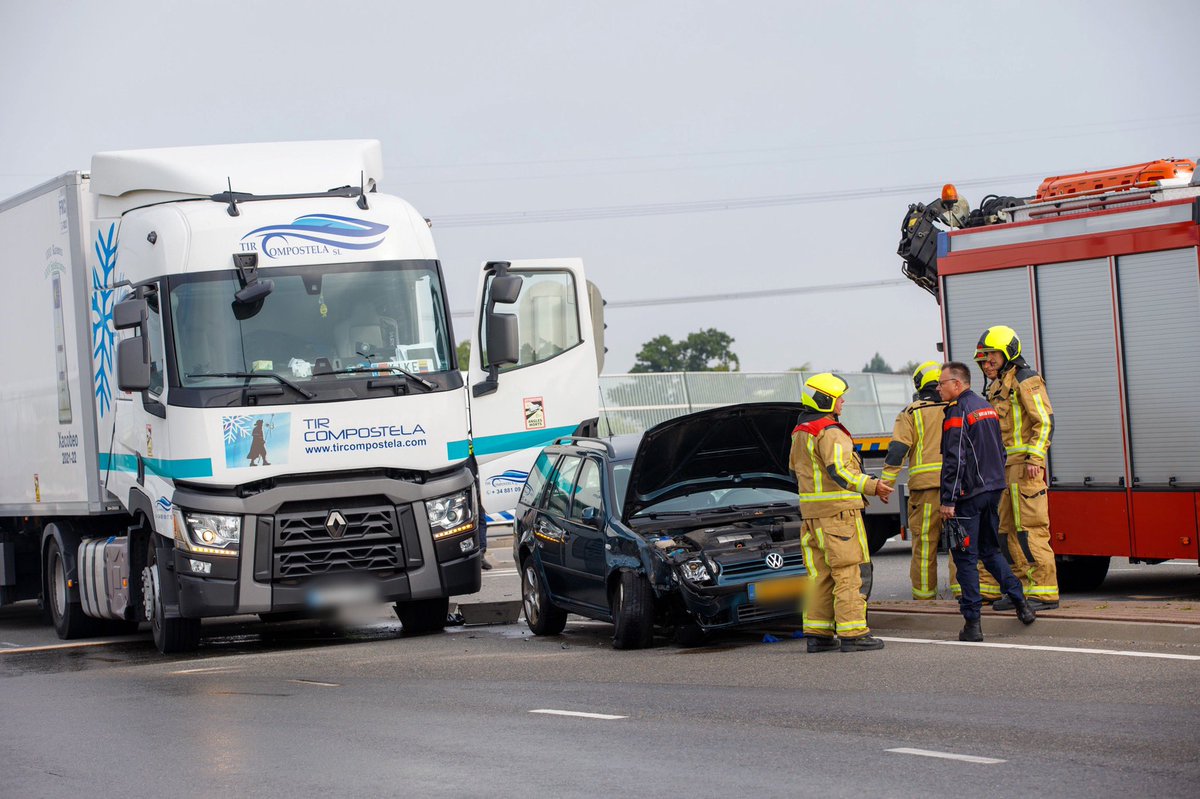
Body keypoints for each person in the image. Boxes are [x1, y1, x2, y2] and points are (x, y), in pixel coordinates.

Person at [789, 373, 894, 653]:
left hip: (811, 516)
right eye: (839, 398)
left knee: (819, 576)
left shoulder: (800, 433)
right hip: (838, 516)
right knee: (848, 573)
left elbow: (792, 473)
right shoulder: (831, 431)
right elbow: (839, 470)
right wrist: (872, 486)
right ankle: (853, 634)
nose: (843, 402)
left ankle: (818, 635)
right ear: (826, 400)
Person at [936, 362, 1035, 641]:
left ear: (958, 384)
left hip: (967, 497)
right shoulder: (986, 407)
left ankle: (973, 624)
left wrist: (948, 500)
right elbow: (1000, 450)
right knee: (991, 551)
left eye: (942, 383)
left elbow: (954, 460)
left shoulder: (957, 411)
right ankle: (1021, 604)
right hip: (992, 490)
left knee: (965, 560)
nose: (938, 387)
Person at [973, 326, 1059, 611]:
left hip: (1025, 469)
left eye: (991, 358)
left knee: (1029, 530)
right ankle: (1020, 590)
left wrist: (1035, 459)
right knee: (1006, 531)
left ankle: (1044, 592)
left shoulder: (1026, 379)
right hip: (1004, 471)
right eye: (983, 361)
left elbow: (1044, 422)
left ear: (1008, 352)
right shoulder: (998, 385)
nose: (987, 365)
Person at [881, 360, 956, 600]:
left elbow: (897, 450)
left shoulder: (911, 412)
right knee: (961, 544)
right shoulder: (958, 406)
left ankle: (925, 598)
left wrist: (886, 483)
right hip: (958, 488)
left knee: (925, 545)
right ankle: (963, 593)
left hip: (925, 491)